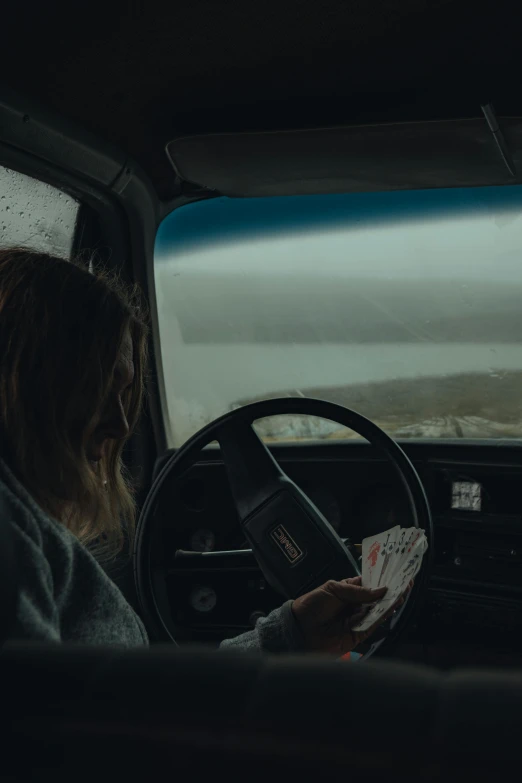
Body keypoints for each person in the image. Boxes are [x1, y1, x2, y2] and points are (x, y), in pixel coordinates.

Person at [0, 247, 405, 655]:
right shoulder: (11, 531)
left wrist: (293, 633)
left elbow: (142, 696)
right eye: (97, 389)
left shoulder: (29, 526)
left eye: (123, 394)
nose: (120, 424)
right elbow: (68, 714)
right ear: (23, 381)